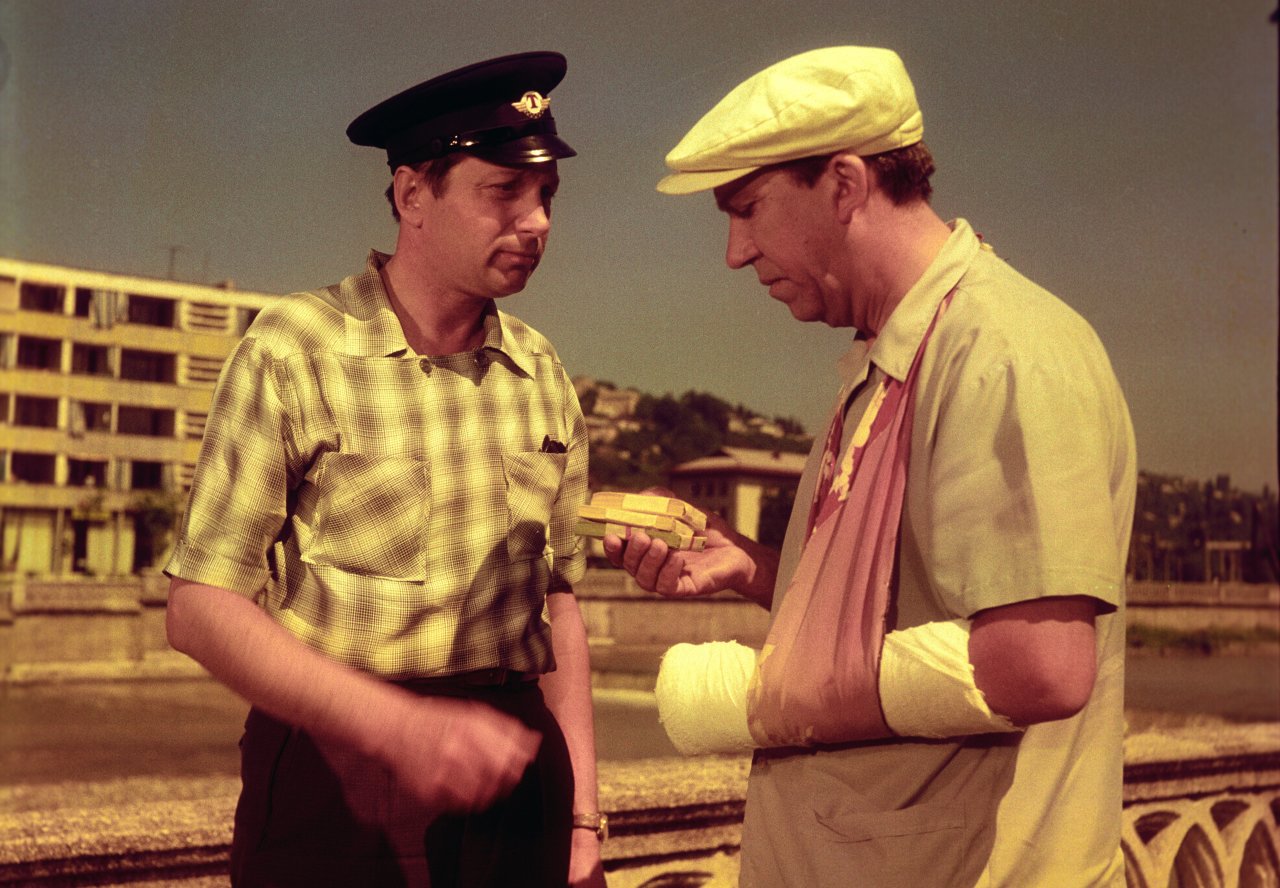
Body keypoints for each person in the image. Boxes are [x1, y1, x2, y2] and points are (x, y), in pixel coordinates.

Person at [606, 46, 1136, 886]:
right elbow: (904, 614)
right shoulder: (892, 358)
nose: (735, 252)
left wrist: (764, 695)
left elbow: (1039, 665)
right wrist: (755, 571)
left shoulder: (1002, 353)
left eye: (748, 210)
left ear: (846, 185)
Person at [164, 52, 606, 888]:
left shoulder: (541, 371)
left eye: (547, 194)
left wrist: (582, 815)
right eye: (503, 191)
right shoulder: (295, 347)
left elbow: (559, 602)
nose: (537, 221)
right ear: (412, 196)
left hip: (519, 781)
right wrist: (401, 730)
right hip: (343, 781)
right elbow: (199, 607)